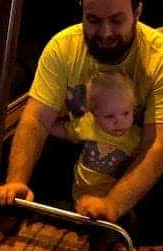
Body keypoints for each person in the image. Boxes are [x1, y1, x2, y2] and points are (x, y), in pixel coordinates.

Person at [0, 0, 163, 223]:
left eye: (117, 20)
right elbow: (36, 119)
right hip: (83, 151)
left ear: (137, 13)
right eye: (94, 20)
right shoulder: (62, 48)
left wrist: (111, 205)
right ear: (83, 14)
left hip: (139, 161)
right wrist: (16, 183)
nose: (105, 32)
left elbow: (155, 147)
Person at [48, 71, 142, 207]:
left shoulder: (136, 137)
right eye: (110, 116)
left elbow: (155, 155)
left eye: (126, 113)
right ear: (93, 114)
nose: (120, 121)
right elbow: (65, 130)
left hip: (112, 202)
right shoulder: (88, 124)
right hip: (79, 195)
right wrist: (44, 124)